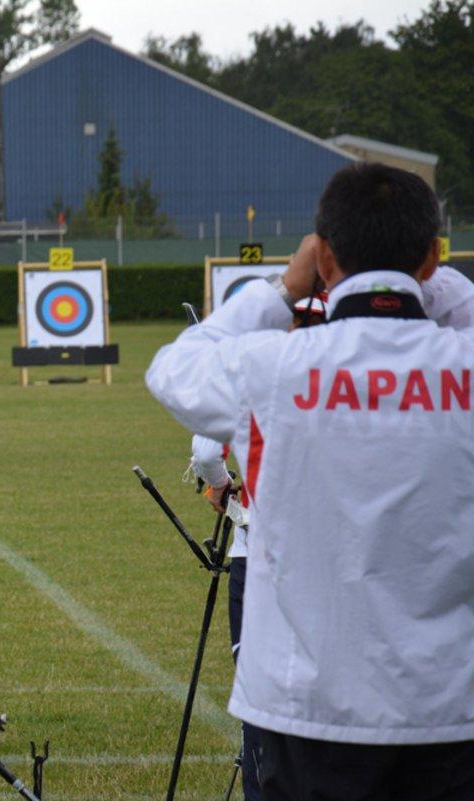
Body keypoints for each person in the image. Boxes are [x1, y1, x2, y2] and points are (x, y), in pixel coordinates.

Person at [147, 162, 474, 800]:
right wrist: (424, 283)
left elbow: (174, 366)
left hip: (307, 711)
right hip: (450, 706)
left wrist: (281, 289)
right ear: (434, 257)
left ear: (323, 258)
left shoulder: (273, 367)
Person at [187, 296, 325, 801]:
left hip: (258, 553)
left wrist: (225, 492)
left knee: (261, 682)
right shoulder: (346, 375)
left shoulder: (256, 371)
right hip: (328, 555)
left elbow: (205, 452)